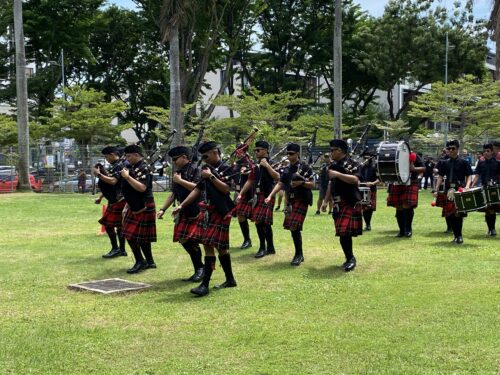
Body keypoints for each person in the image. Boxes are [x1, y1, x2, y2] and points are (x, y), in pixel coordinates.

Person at [172, 141, 236, 297]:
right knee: (214, 247)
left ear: (215, 152)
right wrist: (182, 205)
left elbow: (227, 189)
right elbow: (197, 189)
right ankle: (226, 280)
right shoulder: (207, 170)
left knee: (215, 247)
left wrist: (212, 177)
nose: (204, 159)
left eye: (206, 155)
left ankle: (207, 283)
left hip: (221, 212)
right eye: (202, 156)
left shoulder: (228, 169)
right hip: (207, 211)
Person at [157, 146, 204, 281]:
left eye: (175, 159)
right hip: (183, 210)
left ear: (184, 157)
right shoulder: (177, 172)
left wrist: (180, 181)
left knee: (193, 239)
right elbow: (173, 194)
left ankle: (200, 269)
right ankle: (200, 267)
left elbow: (198, 189)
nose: (174, 162)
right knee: (183, 239)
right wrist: (162, 209)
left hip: (197, 209)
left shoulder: (197, 170)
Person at [265, 143, 314, 266]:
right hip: (291, 200)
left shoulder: (305, 167)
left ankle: (298, 254)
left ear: (297, 154)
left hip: (302, 199)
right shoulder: (286, 169)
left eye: (291, 154)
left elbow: (312, 184)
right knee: (292, 226)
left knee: (294, 225)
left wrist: (301, 183)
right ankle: (299, 254)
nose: (288, 156)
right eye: (287, 154)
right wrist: (270, 195)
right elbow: (280, 184)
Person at [322, 139, 362, 272]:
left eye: (333, 150)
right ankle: (348, 257)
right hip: (338, 202)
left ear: (340, 151)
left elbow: (355, 180)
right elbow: (330, 184)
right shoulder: (333, 165)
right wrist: (325, 201)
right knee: (341, 232)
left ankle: (351, 259)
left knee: (345, 231)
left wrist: (338, 174)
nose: (331, 153)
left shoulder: (353, 163)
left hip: (349, 200)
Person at [238, 140, 280, 258]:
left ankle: (266, 247)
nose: (256, 152)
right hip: (257, 196)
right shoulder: (255, 166)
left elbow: (277, 177)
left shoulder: (272, 163)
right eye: (255, 150)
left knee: (263, 222)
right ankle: (267, 247)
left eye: (258, 150)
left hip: (268, 195)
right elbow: (250, 180)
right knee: (259, 221)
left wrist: (267, 166)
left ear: (266, 150)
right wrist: (241, 193)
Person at [120, 145, 157, 273]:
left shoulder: (144, 167)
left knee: (130, 235)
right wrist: (127, 204)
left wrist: (127, 177)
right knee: (140, 236)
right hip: (134, 205)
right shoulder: (132, 167)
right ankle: (150, 261)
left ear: (136, 154)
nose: (127, 158)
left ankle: (140, 261)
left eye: (129, 156)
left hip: (144, 205)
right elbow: (129, 190)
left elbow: (142, 188)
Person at [434, 140, 472, 244]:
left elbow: (469, 175)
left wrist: (468, 186)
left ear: (457, 149)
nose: (450, 150)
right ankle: (455, 236)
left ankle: (459, 237)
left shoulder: (464, 162)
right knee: (450, 214)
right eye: (448, 148)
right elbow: (440, 176)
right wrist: (436, 189)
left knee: (458, 213)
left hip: (459, 189)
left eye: (453, 148)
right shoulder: (444, 162)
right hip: (448, 190)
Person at [93, 146, 127, 258]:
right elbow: (109, 184)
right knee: (118, 226)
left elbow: (113, 181)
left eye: (107, 157)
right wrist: (101, 197)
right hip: (114, 199)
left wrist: (99, 174)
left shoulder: (120, 166)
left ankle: (117, 249)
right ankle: (121, 250)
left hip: (119, 199)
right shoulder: (115, 165)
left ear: (112, 154)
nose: (106, 159)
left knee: (109, 225)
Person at [386, 147, 425, 237]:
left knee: (407, 205)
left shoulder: (414, 155)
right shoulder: (394, 156)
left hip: (410, 182)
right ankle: (402, 231)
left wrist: (414, 169)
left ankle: (408, 230)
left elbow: (423, 169)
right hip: (397, 182)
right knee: (399, 206)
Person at [472, 143, 499, 236]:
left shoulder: (497, 163)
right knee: (487, 209)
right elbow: (477, 175)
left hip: (494, 188)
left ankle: (493, 229)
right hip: (484, 187)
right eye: (484, 151)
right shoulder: (481, 163)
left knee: (493, 209)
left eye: (488, 151)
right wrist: (472, 185)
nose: (486, 153)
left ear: (492, 152)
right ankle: (490, 229)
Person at [232, 152, 253, 249]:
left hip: (249, 193)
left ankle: (267, 245)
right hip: (239, 193)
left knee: (258, 220)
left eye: (240, 152)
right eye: (237, 152)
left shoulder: (250, 163)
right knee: (240, 215)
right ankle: (247, 239)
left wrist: (247, 170)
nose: (238, 153)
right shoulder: (236, 164)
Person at [358, 150, 379, 231]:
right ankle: (363, 224)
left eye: (367, 158)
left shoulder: (374, 168)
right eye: (364, 158)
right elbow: (357, 177)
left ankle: (368, 224)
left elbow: (379, 179)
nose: (365, 160)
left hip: (371, 190)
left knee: (368, 208)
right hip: (361, 189)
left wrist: (373, 183)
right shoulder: (360, 168)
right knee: (362, 208)